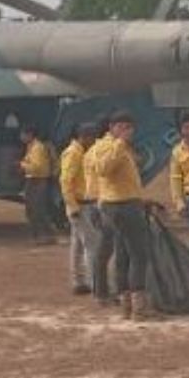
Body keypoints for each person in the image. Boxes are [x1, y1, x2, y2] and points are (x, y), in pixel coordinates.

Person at [96, 110, 153, 319]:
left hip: (127, 202)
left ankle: (127, 305)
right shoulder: (105, 146)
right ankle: (138, 306)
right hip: (120, 205)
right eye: (121, 127)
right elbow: (103, 169)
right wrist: (119, 143)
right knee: (138, 254)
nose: (126, 131)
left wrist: (141, 198)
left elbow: (127, 180)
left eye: (129, 128)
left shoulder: (124, 148)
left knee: (123, 253)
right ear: (111, 128)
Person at [61, 124, 100, 295]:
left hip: (82, 204)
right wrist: (72, 206)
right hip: (79, 204)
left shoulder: (81, 152)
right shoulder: (73, 153)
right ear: (84, 136)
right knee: (92, 244)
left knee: (77, 245)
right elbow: (65, 182)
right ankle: (95, 282)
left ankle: (79, 281)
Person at [84, 119, 117, 306]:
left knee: (102, 251)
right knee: (105, 251)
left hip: (94, 203)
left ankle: (102, 291)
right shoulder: (103, 151)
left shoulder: (90, 153)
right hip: (102, 203)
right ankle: (103, 292)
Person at [18, 124, 56, 244]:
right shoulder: (31, 146)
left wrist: (22, 165)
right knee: (31, 209)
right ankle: (38, 235)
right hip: (33, 180)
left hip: (37, 180)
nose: (21, 137)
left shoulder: (37, 148)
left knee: (37, 209)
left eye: (23, 134)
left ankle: (44, 235)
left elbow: (37, 167)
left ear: (29, 134)